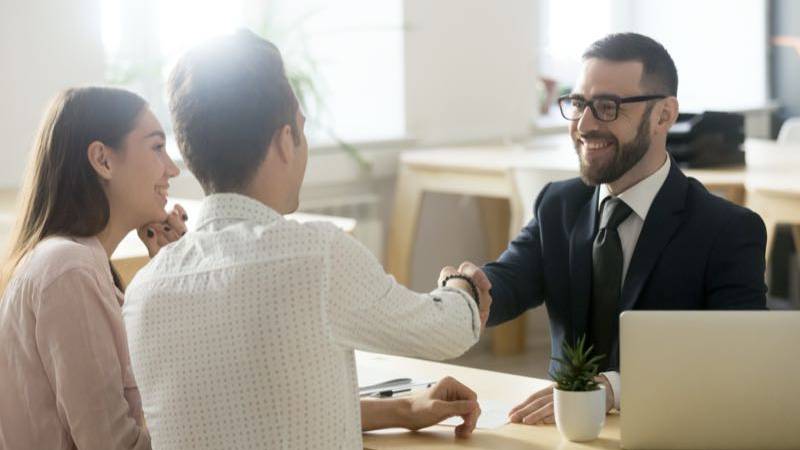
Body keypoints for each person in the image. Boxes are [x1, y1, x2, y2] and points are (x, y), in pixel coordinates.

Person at [122, 29, 491, 450]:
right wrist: (459, 286)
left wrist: (403, 408)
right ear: (284, 140)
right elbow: (448, 331)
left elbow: (257, 409)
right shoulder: (319, 256)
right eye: (301, 129)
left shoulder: (142, 294)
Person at [452, 33, 767, 425]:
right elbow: (510, 279)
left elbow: (736, 356)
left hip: (671, 427)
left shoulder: (728, 231)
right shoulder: (558, 204)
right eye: (579, 103)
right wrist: (465, 291)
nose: (584, 124)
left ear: (664, 115)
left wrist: (612, 390)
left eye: (607, 107)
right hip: (560, 431)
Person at [0, 86, 187, 449]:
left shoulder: (81, 267)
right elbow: (112, 445)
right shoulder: (69, 269)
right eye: (156, 147)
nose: (173, 169)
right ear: (103, 159)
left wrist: (167, 275)